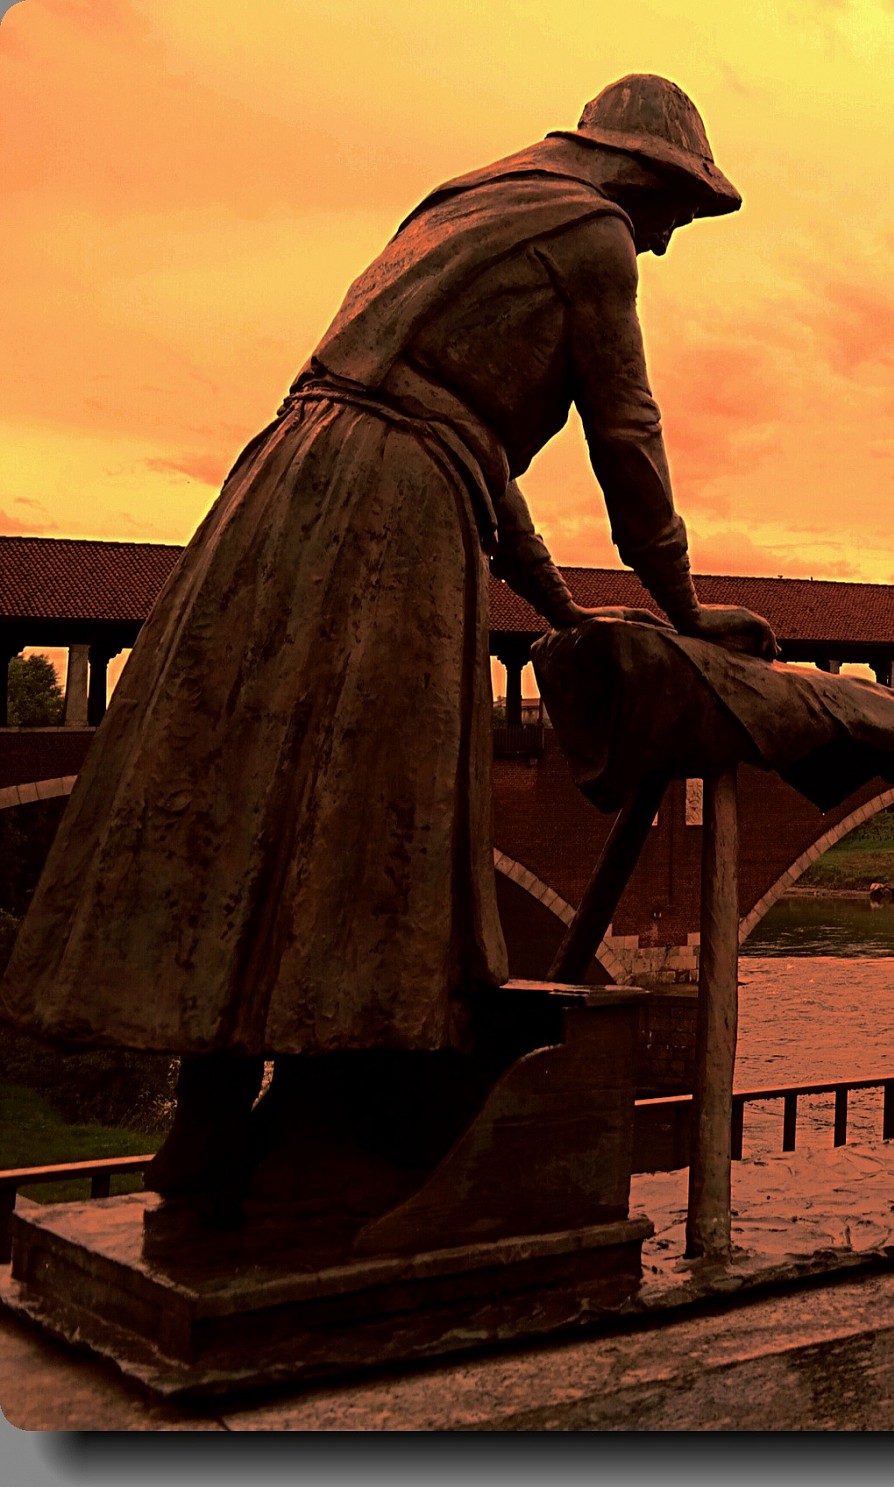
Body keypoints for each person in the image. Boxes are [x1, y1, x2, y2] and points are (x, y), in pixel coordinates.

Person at [0, 75, 774, 1214]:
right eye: (677, 214)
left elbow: (459, 435)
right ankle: (334, 1128)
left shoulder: (456, 208)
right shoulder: (594, 232)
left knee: (254, 795)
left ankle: (209, 1119)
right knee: (375, 807)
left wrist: (559, 608)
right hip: (394, 515)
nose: (663, 242)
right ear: (645, 171)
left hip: (281, 489)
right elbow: (628, 436)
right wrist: (687, 607)